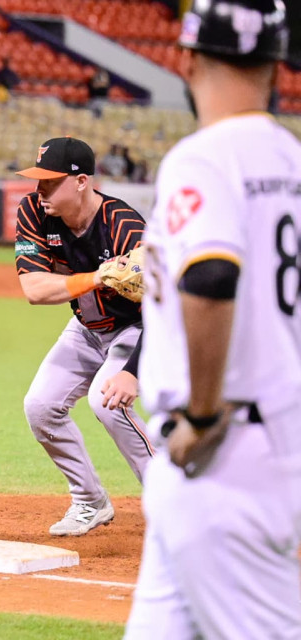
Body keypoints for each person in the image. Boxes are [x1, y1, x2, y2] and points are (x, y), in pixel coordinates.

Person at [125, 1, 301, 637]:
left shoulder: (202, 157)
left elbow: (210, 276)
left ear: (187, 56)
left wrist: (201, 414)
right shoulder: (291, 160)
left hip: (220, 452)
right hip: (274, 435)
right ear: (276, 64)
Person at [15, 136, 153, 536]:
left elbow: (165, 307)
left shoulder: (125, 226)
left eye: (50, 181)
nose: (39, 191)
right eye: (38, 180)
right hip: (85, 329)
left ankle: (168, 499)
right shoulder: (34, 211)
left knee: (106, 400)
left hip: (136, 327)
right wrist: (97, 276)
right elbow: (35, 290)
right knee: (40, 407)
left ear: (80, 182)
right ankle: (90, 502)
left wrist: (131, 371)